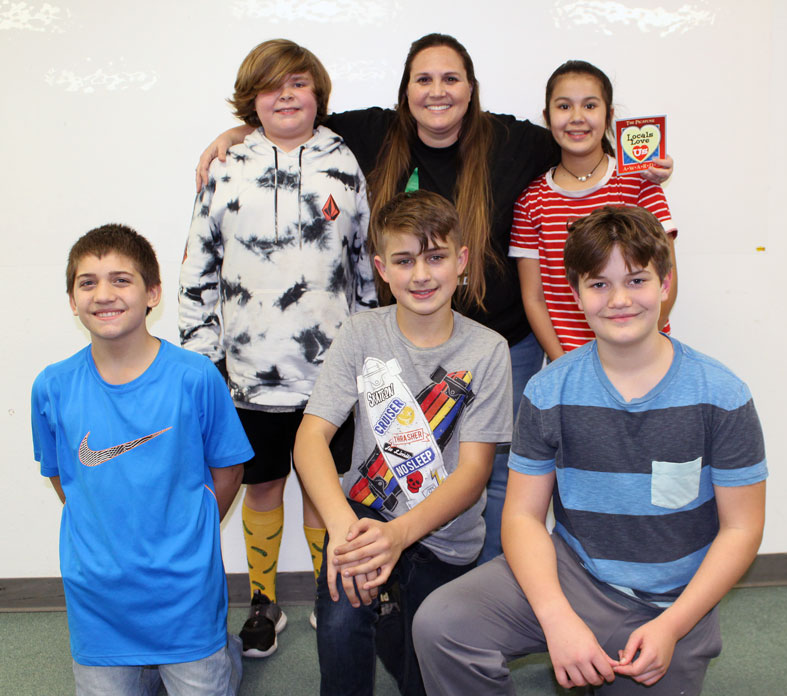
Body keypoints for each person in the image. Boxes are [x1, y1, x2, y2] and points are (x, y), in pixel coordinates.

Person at [195, 33, 674, 562]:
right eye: (423, 79)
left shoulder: (514, 142)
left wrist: (634, 169)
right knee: (394, 473)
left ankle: (482, 594)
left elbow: (578, 141)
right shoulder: (374, 133)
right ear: (406, 91)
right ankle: (399, 581)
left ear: (471, 89)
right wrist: (240, 132)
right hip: (400, 344)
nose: (437, 91)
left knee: (494, 475)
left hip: (499, 347)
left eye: (451, 78)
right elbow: (293, 123)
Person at [413, 206, 767, 696]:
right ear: (576, 293)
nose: (619, 300)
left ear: (665, 285)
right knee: (442, 624)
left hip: (671, 604)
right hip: (574, 575)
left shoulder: (721, 395)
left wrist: (671, 626)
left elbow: (742, 528)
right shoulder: (549, 390)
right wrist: (558, 619)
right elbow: (520, 518)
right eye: (599, 284)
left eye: (637, 280)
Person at [179, 39, 377, 656]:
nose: (286, 95)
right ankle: (264, 602)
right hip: (246, 375)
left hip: (333, 373)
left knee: (326, 490)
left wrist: (374, 351)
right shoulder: (227, 164)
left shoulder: (345, 162)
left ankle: (328, 595)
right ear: (252, 101)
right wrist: (202, 359)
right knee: (261, 488)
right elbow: (197, 268)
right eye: (271, 87)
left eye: (298, 83)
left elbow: (365, 268)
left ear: (317, 93)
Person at [293, 190, 513, 695]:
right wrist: (344, 530)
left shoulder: (488, 350)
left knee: (422, 672)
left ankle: (395, 626)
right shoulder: (358, 333)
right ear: (380, 269)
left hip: (447, 537)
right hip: (364, 520)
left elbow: (474, 472)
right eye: (404, 260)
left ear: (460, 262)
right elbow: (310, 439)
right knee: (341, 626)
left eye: (436, 258)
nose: (421, 275)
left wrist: (400, 537)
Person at [30, 224, 252, 695]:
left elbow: (229, 469)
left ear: (153, 293)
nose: (103, 293)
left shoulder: (196, 378)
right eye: (87, 282)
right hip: (98, 597)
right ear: (72, 300)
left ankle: (222, 651)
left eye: (120, 279)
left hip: (184, 593)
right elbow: (62, 477)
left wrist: (192, 525)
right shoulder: (52, 386)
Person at [510, 60, 678, 360]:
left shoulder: (640, 183)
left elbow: (668, 276)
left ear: (609, 115)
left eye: (589, 106)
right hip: (572, 365)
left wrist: (635, 351)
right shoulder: (531, 201)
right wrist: (564, 365)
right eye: (564, 107)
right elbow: (534, 297)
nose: (577, 118)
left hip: (644, 359)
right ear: (547, 117)